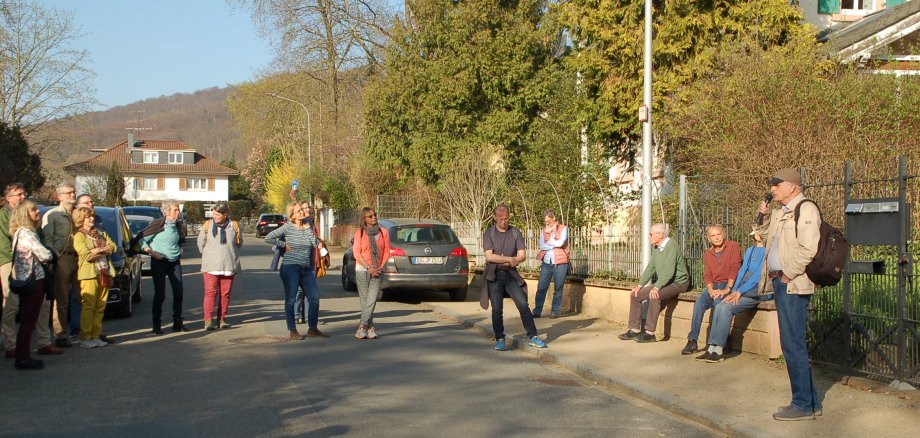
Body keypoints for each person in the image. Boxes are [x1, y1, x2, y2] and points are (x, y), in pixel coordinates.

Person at [755, 168, 823, 421]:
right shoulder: (781, 212)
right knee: (791, 343)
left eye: (777, 184)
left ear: (792, 186)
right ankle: (811, 402)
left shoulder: (805, 209)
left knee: (793, 345)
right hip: (782, 283)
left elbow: (808, 249)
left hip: (793, 284)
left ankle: (802, 404)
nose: (772, 188)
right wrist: (761, 217)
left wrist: (787, 275)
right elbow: (762, 237)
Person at [1, 184, 60, 358]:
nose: (22, 196)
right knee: (11, 305)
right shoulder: (3, 217)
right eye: (18, 194)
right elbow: (4, 245)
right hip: (11, 263)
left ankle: (43, 342)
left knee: (43, 305)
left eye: (24, 193)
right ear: (8, 198)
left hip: (36, 266)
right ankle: (11, 344)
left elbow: (40, 240)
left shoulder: (30, 219)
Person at [694, 228, 769, 363]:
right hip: (742, 289)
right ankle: (711, 348)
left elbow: (759, 276)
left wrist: (738, 292)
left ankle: (720, 349)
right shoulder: (751, 250)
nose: (754, 233)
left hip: (757, 291)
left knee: (726, 308)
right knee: (720, 305)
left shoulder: (768, 251)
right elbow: (741, 272)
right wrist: (732, 290)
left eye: (757, 231)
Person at [481, 204, 547, 351]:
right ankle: (500, 338)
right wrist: (508, 259)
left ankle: (533, 336)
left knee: (523, 304)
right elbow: (489, 256)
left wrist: (513, 260)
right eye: (500, 219)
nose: (504, 222)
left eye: (506, 219)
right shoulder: (489, 234)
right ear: (495, 218)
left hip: (510, 274)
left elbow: (522, 255)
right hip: (495, 275)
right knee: (497, 308)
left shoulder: (515, 232)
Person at [265, 202, 327, 340]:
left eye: (302, 210)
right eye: (299, 211)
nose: (303, 212)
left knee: (314, 298)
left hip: (306, 269)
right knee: (291, 300)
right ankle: (292, 330)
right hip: (290, 268)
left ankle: (313, 329)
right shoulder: (287, 227)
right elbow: (268, 237)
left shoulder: (307, 225)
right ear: (292, 214)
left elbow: (314, 243)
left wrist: (307, 229)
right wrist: (283, 244)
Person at [619, 223, 690, 343]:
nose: (649, 237)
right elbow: (651, 267)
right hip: (666, 282)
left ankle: (649, 333)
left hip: (678, 282)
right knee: (635, 295)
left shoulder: (671, 246)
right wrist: (639, 286)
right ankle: (634, 329)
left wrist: (656, 287)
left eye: (651, 234)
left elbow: (669, 271)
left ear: (660, 235)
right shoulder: (657, 247)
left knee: (654, 296)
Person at [681, 224, 741, 355]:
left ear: (723, 234)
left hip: (728, 284)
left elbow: (734, 268)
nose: (717, 238)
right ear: (709, 239)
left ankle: (721, 340)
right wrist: (709, 289)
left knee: (718, 303)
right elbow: (707, 275)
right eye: (713, 236)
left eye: (719, 234)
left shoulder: (733, 246)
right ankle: (692, 340)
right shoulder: (708, 254)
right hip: (713, 286)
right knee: (699, 303)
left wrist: (727, 289)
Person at [8, 201, 55, 369]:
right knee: (29, 320)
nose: (37, 212)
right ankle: (23, 358)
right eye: (33, 210)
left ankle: (24, 355)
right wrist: (50, 251)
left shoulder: (20, 233)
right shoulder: (27, 233)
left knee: (28, 319)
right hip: (32, 279)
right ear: (23, 214)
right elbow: (44, 255)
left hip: (27, 278)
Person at [137, 200, 187, 334]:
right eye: (175, 210)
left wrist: (179, 250)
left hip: (174, 261)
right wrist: (152, 253)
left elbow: (176, 240)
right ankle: (156, 326)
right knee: (160, 294)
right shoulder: (158, 224)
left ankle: (178, 323)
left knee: (179, 291)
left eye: (178, 209)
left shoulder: (176, 225)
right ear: (166, 211)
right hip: (159, 261)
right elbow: (142, 239)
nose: (178, 212)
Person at [41, 183, 79, 348]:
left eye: (73, 191)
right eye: (68, 193)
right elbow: (47, 240)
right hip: (62, 258)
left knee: (82, 296)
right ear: (60, 196)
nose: (72, 195)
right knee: (62, 298)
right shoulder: (53, 215)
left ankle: (87, 330)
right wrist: (54, 258)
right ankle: (60, 334)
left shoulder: (78, 214)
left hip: (80, 257)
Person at [72, 207, 116, 348]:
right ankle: (86, 337)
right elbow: (86, 255)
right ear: (81, 219)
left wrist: (99, 250)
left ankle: (96, 335)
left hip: (104, 272)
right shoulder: (79, 236)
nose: (91, 219)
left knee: (100, 306)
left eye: (92, 216)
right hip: (89, 275)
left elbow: (113, 246)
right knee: (89, 306)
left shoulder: (100, 233)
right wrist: (103, 250)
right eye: (87, 217)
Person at [197, 202, 242, 331]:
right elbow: (201, 244)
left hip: (229, 265)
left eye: (217, 214)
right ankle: (208, 320)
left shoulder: (234, 226)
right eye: (213, 214)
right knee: (210, 292)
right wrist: (209, 254)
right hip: (210, 265)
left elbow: (239, 243)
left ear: (225, 215)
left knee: (225, 294)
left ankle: (222, 319)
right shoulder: (207, 225)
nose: (214, 216)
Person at [351, 207, 390, 340]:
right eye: (370, 216)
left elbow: (386, 251)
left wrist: (379, 267)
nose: (374, 217)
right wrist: (368, 268)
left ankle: (362, 326)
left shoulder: (383, 231)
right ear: (364, 219)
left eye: (375, 215)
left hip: (378, 269)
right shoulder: (359, 232)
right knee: (365, 300)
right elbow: (357, 253)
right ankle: (371, 327)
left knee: (372, 299)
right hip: (362, 269)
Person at [532, 209, 570, 319]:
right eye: (545, 222)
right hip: (547, 262)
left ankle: (555, 311)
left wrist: (549, 243)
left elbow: (561, 242)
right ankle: (537, 311)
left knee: (558, 288)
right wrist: (553, 243)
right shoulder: (543, 231)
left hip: (560, 262)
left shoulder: (563, 228)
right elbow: (542, 246)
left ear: (553, 218)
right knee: (541, 287)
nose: (547, 223)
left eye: (548, 221)